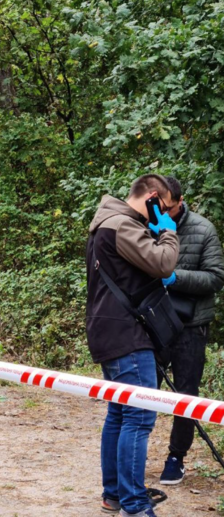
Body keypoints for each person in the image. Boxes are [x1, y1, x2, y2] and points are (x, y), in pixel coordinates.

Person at [86, 174, 180, 517]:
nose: (165, 213)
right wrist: (167, 231)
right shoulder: (122, 225)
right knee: (138, 417)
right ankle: (135, 504)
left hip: (108, 330)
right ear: (152, 197)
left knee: (120, 414)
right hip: (126, 335)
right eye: (164, 206)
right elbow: (164, 263)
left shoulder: (107, 223)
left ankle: (114, 495)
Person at [156, 176, 224, 485]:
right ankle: (134, 451)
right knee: (143, 388)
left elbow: (215, 278)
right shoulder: (148, 226)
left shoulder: (203, 229)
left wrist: (175, 277)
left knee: (186, 394)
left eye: (168, 209)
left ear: (180, 202)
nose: (162, 214)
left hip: (190, 326)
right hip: (154, 322)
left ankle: (176, 457)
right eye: (158, 208)